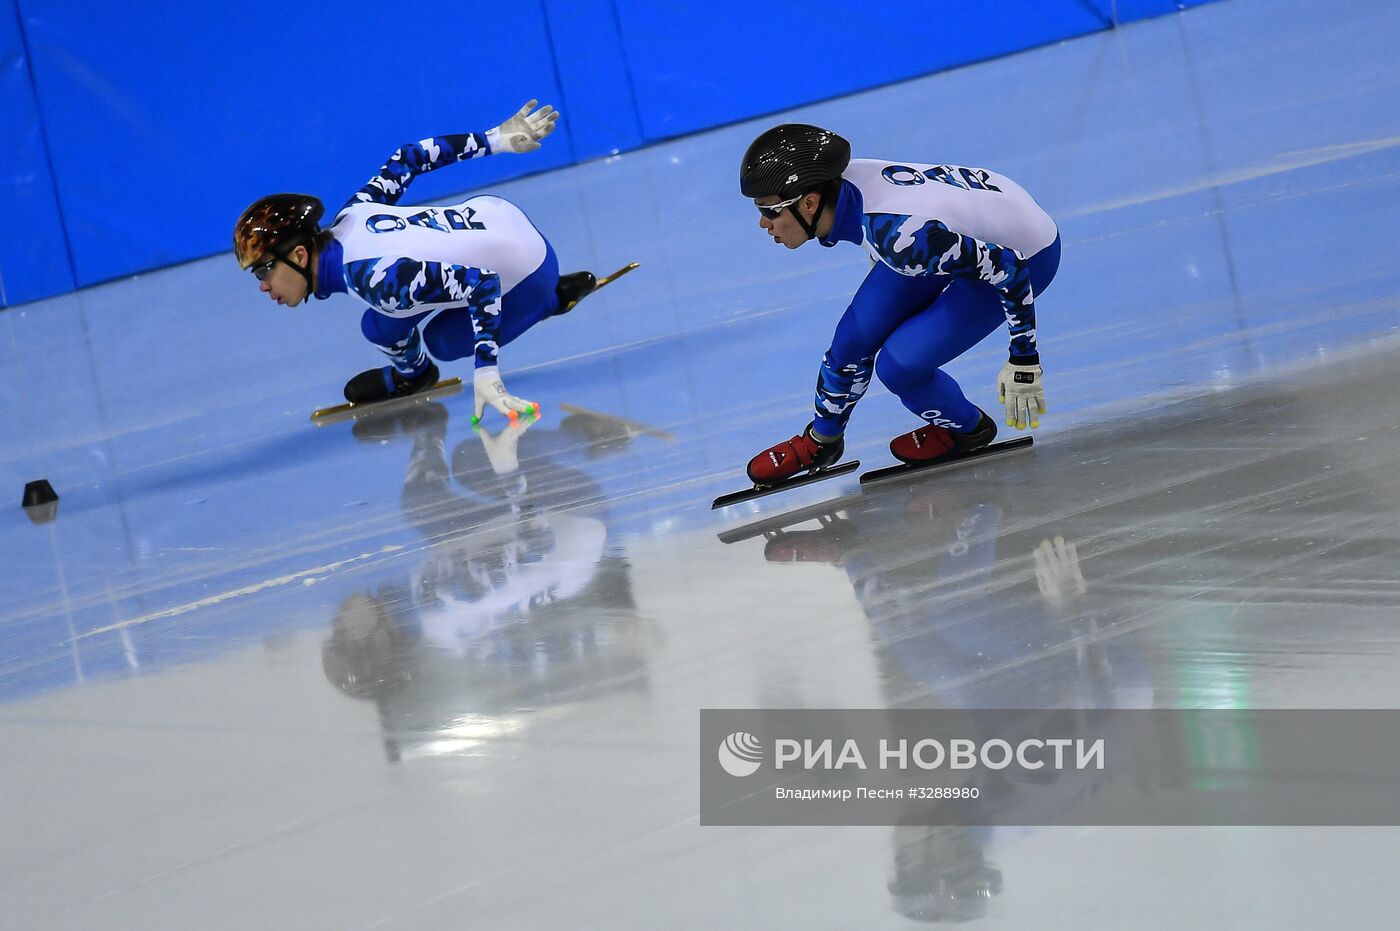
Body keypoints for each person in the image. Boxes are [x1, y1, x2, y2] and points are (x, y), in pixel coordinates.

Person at [233, 100, 599, 422]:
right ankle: (415, 375)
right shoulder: (352, 214)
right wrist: (497, 138)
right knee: (378, 327)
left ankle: (553, 297)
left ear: (299, 255)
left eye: (264, 269)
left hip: (529, 269)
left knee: (442, 342)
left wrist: (486, 372)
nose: (264, 285)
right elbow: (409, 157)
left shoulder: (375, 280)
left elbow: (481, 283)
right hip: (498, 215)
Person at [738, 123, 1061, 485]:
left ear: (809, 203)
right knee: (850, 342)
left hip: (1028, 254)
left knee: (899, 365)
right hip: (956, 230)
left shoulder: (899, 236)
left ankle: (969, 430)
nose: (763, 223)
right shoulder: (848, 194)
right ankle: (821, 441)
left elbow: (1010, 267)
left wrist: (1024, 360)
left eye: (769, 210)